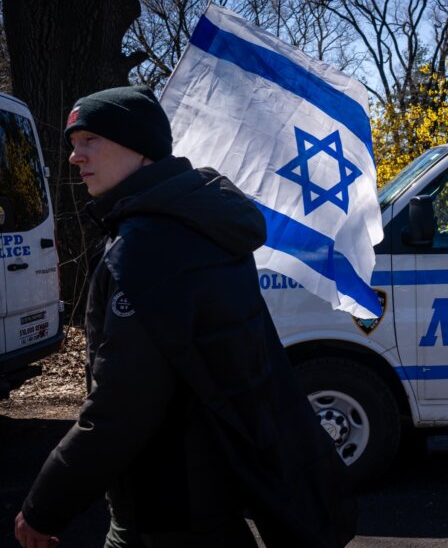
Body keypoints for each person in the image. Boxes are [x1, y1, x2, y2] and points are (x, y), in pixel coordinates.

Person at [13, 86, 356, 548]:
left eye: (90, 140)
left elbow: (122, 405)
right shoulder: (196, 226)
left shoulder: (147, 249)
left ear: (141, 148)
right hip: (206, 495)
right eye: (74, 143)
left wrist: (43, 508)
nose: (76, 157)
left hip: (166, 506)